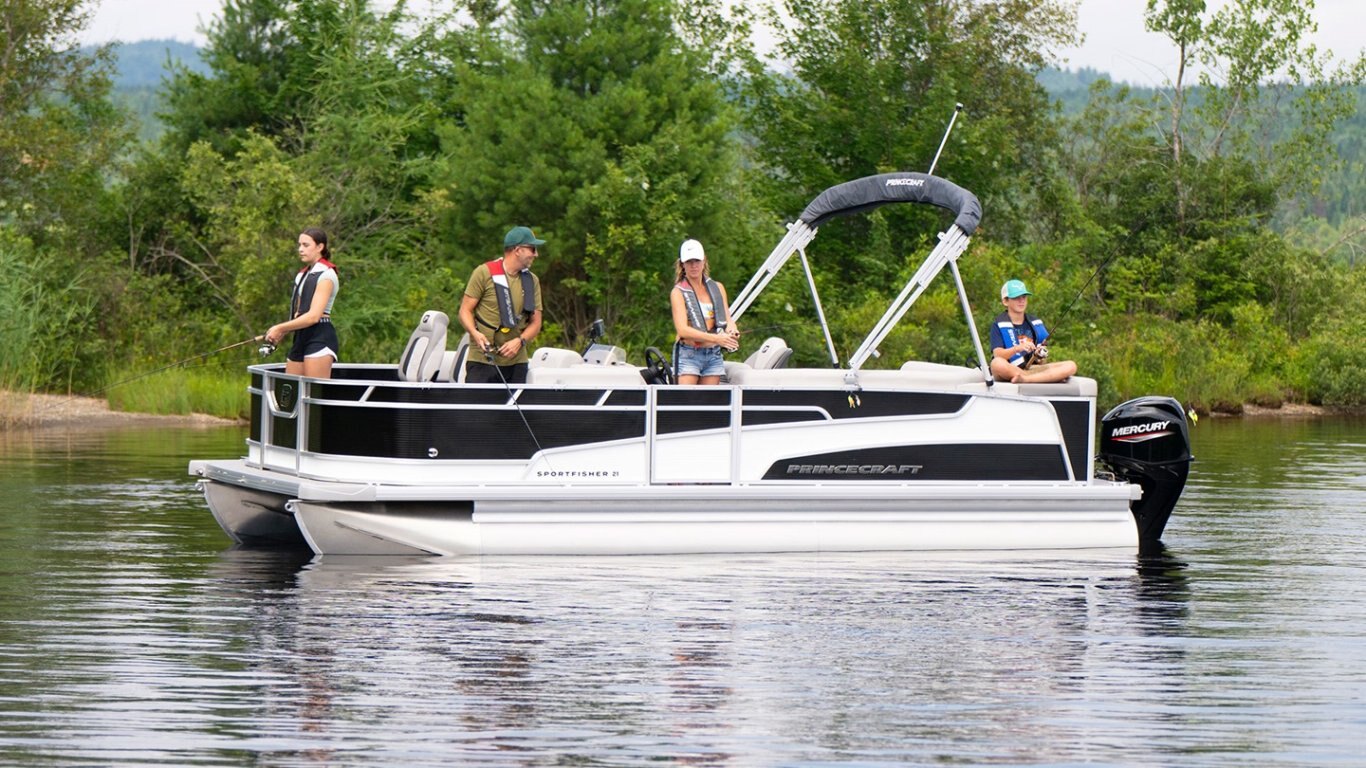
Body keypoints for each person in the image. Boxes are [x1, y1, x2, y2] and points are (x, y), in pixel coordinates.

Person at [458, 226, 545, 384]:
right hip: (482, 362)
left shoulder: (532, 281)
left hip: (517, 364)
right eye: (532, 249)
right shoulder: (483, 273)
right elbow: (465, 311)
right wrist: (475, 333)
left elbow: (536, 322)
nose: (536, 254)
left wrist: (520, 341)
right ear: (518, 250)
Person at [265, 227, 339, 379]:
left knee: (314, 391)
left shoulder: (327, 275)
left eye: (306, 245)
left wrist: (280, 327)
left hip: (320, 335)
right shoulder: (301, 275)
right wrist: (283, 331)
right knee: (291, 389)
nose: (300, 249)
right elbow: (299, 314)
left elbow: (313, 317)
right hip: (301, 336)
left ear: (320, 247)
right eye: (299, 245)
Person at [670, 238, 740, 385]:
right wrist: (717, 339)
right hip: (688, 354)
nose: (693, 265)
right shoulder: (678, 292)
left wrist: (732, 332)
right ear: (682, 264)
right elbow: (682, 330)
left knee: (709, 399)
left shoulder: (718, 287)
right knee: (686, 398)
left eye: (697, 261)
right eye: (689, 262)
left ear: (704, 261)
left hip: (713, 355)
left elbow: (728, 319)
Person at [988, 279, 1077, 384]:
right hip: (1010, 368)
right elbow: (998, 355)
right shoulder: (998, 325)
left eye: (1024, 297)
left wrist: (1040, 356)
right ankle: (1044, 378)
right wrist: (1017, 348)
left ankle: (1025, 379)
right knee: (997, 363)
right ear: (1005, 301)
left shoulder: (1035, 323)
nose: (1021, 300)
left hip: (1031, 370)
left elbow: (1041, 362)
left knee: (1071, 365)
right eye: (1016, 297)